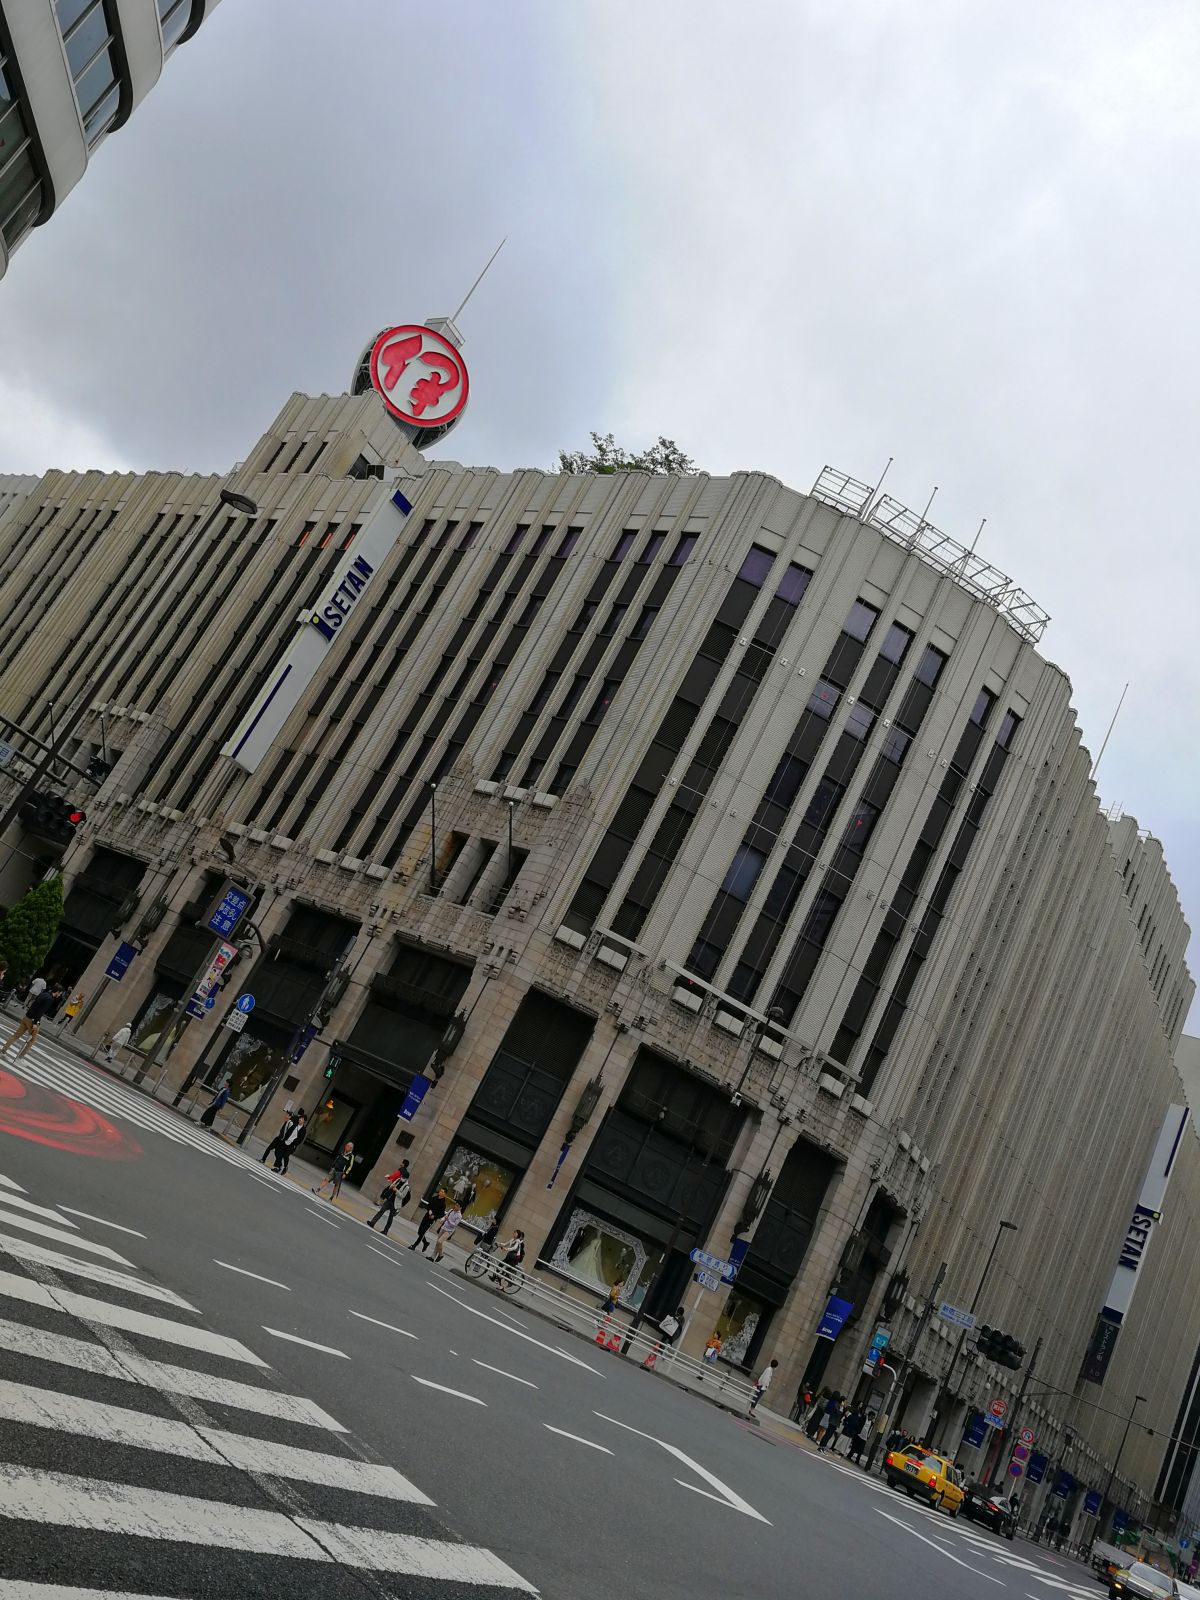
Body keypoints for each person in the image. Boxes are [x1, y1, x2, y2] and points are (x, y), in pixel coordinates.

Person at [1, 979, 65, 1060]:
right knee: (32, 1040)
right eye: (60, 993)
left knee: (16, 1035)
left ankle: (3, 1051)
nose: (60, 995)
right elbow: (40, 1011)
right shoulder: (49, 999)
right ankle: (20, 1057)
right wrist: (36, 1023)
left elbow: (34, 1005)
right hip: (32, 1020)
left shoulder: (44, 994)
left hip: (27, 1016)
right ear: (58, 992)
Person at [368, 1160, 411, 1234]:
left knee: (390, 1217)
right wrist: (392, 1187)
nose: (402, 1178)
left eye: (403, 1177)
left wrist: (396, 1190)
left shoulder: (406, 1187)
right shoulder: (398, 1180)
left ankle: (386, 1230)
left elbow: (402, 1196)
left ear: (406, 1178)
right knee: (381, 1210)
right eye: (402, 1177)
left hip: (395, 1203)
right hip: (390, 1199)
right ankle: (372, 1222)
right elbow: (392, 1185)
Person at [409, 1188, 447, 1253]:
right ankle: (426, 1243)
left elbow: (441, 1214)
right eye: (440, 1191)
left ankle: (414, 1245)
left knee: (423, 1232)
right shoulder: (434, 1198)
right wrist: (429, 1210)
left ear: (445, 1194)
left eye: (442, 1192)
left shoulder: (443, 1204)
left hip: (432, 1220)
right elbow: (428, 1205)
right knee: (419, 1231)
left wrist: (434, 1216)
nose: (440, 1192)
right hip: (426, 1216)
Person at [274, 1109, 307, 1174]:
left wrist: (294, 1144)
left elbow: (300, 1139)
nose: (300, 1120)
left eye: (302, 1119)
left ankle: (285, 1167)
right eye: (300, 1118)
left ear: (304, 1121)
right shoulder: (294, 1125)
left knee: (286, 1155)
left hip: (292, 1145)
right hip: (286, 1141)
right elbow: (288, 1132)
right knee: (279, 1153)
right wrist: (285, 1139)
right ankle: (278, 1167)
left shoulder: (303, 1130)